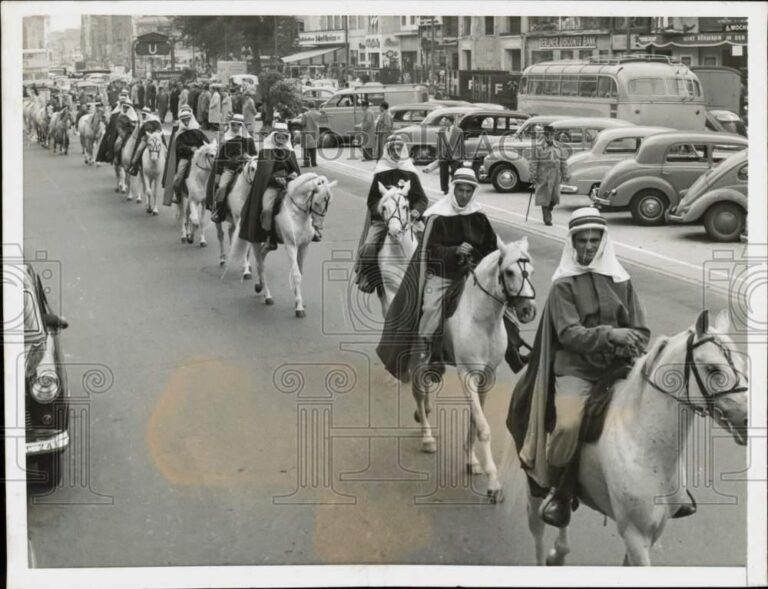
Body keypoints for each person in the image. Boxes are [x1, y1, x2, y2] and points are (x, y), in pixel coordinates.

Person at [505, 207, 664, 529]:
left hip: (619, 365)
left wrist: (630, 340)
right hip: (576, 369)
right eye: (582, 240)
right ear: (572, 243)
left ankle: (669, 488)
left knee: (661, 409)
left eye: (594, 240)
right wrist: (612, 334)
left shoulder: (622, 279)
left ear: (603, 242)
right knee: (567, 425)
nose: (588, 247)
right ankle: (560, 490)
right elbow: (568, 334)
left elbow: (642, 329)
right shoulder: (564, 284)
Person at [376, 166, 500, 382]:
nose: (464, 195)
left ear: (474, 192)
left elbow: (491, 249)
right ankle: (425, 355)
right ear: (453, 189)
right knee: (431, 308)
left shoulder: (479, 217)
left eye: (468, 191)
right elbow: (430, 251)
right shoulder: (437, 217)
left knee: (504, 301)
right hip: (442, 274)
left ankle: (511, 348)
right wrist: (454, 251)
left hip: (471, 275)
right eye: (460, 190)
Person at [354, 134, 429, 294]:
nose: (396, 152)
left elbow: (421, 198)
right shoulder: (381, 173)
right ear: (387, 151)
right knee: (369, 247)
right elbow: (372, 200)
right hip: (384, 220)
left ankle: (429, 278)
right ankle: (370, 278)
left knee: (428, 243)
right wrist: (382, 212)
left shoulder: (411, 173)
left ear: (403, 150)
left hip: (409, 219)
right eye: (392, 149)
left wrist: (417, 210)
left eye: (399, 149)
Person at [238, 122, 320, 250]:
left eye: (284, 138)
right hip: (272, 186)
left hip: (290, 185)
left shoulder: (290, 152)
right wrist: (275, 179)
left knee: (311, 200)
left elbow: (295, 170)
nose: (281, 140)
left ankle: (313, 230)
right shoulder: (265, 152)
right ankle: (269, 237)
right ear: (273, 137)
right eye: (279, 137)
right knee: (267, 209)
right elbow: (263, 174)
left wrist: (293, 175)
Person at [208, 114, 258, 223]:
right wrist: (218, 174)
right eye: (233, 125)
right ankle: (219, 210)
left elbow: (254, 155)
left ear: (242, 126)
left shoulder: (249, 139)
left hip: (245, 169)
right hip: (229, 169)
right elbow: (220, 158)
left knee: (258, 185)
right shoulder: (225, 138)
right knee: (222, 187)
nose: (235, 128)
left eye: (238, 125)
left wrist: (248, 157)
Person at [162, 105, 209, 206]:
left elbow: (206, 142)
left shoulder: (197, 131)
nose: (186, 122)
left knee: (209, 170)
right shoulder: (179, 133)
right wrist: (189, 149)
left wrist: (201, 149)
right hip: (186, 157)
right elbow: (179, 146)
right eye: (184, 120)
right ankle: (178, 195)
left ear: (191, 119)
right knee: (178, 177)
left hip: (198, 157)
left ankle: (210, 196)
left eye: (188, 119)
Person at [530, 124, 570, 226]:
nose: (550, 137)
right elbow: (534, 162)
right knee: (545, 197)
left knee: (554, 198)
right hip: (543, 175)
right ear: (544, 135)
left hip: (556, 176)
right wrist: (533, 175)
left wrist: (565, 174)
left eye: (552, 135)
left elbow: (563, 161)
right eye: (547, 135)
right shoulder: (538, 147)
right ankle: (547, 218)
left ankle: (549, 207)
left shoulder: (559, 147)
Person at [422, 116, 465, 194]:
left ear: (451, 122)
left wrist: (462, 157)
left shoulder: (459, 131)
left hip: (455, 155)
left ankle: (455, 188)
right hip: (443, 155)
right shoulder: (441, 131)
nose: (444, 122)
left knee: (455, 172)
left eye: (446, 120)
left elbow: (461, 144)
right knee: (443, 173)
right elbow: (439, 143)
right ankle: (445, 189)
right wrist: (438, 154)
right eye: (444, 121)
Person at [127, 107, 165, 176]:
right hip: (146, 139)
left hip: (155, 139)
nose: (143, 116)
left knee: (165, 149)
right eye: (142, 115)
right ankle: (134, 165)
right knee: (139, 149)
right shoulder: (144, 122)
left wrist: (153, 135)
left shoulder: (155, 121)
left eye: (144, 115)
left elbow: (159, 130)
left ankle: (166, 166)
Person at [300, 102, 321, 168]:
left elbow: (303, 123)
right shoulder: (319, 114)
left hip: (307, 132)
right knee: (313, 148)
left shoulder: (306, 114)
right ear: (314, 106)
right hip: (315, 132)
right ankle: (314, 163)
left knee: (306, 148)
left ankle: (306, 163)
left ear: (308, 106)